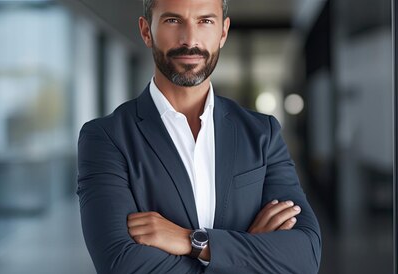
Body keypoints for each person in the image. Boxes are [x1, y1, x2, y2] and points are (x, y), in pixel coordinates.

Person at [76, 0, 322, 273]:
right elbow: (122, 265)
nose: (190, 39)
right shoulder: (106, 138)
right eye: (173, 21)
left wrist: (193, 242)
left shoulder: (263, 133)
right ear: (147, 31)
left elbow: (304, 255)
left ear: (223, 32)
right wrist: (248, 250)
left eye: (205, 21)